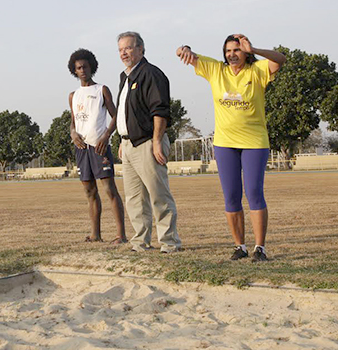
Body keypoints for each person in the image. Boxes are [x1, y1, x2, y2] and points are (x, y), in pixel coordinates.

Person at [176, 34, 286, 261]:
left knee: (254, 193)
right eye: (228, 51)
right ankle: (240, 247)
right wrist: (185, 48)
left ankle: (260, 248)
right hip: (225, 144)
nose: (232, 55)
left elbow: (280, 59)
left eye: (237, 50)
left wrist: (254, 48)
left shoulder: (257, 71)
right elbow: (181, 53)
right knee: (231, 197)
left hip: (254, 142)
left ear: (246, 52)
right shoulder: (216, 70)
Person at [116, 32, 182, 253]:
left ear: (141, 48)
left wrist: (156, 141)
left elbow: (159, 111)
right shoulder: (124, 77)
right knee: (134, 199)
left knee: (158, 194)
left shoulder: (151, 74)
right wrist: (121, 139)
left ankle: (169, 242)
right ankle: (140, 242)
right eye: (120, 49)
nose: (124, 53)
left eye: (128, 47)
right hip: (128, 145)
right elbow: (125, 113)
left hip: (147, 143)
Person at [67, 49, 127, 244]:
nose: (82, 70)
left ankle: (121, 235)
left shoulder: (101, 89)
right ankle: (95, 234)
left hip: (99, 147)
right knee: (89, 192)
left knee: (110, 190)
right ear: (74, 71)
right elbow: (73, 122)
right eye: (78, 68)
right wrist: (73, 133)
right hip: (81, 149)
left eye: (85, 66)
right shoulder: (73, 96)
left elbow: (116, 116)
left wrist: (106, 135)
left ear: (92, 67)